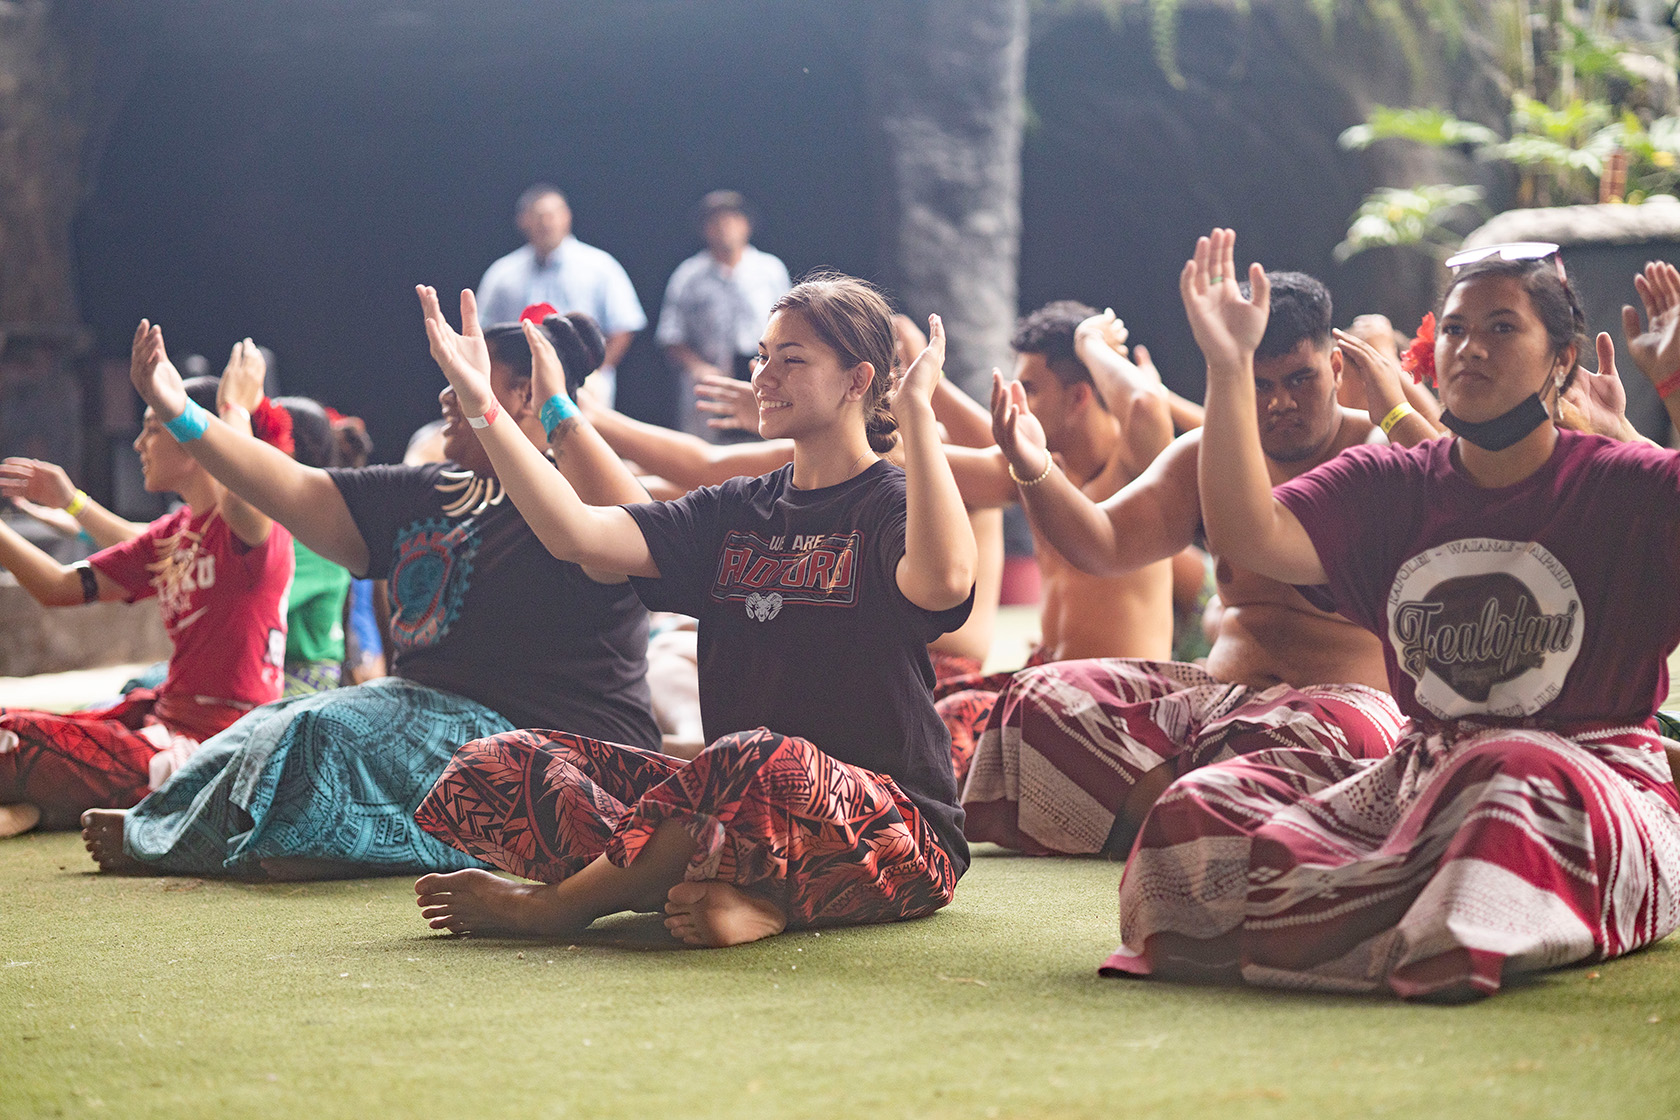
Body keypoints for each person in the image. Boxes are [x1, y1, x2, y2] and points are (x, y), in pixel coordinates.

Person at [1105, 230, 1680, 1000]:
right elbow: (1249, 533)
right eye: (1454, 328)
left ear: (1561, 359)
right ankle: (1405, 911)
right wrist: (1227, 363)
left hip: (1582, 780)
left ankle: (1349, 918)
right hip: (1423, 780)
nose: (1469, 348)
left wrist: (1674, 389)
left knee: (1503, 776)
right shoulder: (1388, 481)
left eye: (1501, 328)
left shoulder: (1621, 483)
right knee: (1199, 814)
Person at [410, 273, 976, 947]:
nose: (764, 375)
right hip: (730, 807)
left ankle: (560, 906)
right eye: (763, 355)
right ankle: (731, 893)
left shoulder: (890, 503)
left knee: (760, 759)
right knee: (498, 763)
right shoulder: (733, 510)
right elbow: (578, 533)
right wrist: (485, 408)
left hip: (895, 834)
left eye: (791, 359)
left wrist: (916, 412)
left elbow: (943, 582)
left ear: (859, 380)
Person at [80, 307, 660, 879]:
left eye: (462, 380)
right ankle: (178, 827)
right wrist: (179, 411)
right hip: (423, 712)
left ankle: (252, 842)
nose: (445, 397)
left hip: (552, 746)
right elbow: (290, 487)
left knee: (321, 732)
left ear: (527, 396)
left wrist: (552, 407)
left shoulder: (580, 503)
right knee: (267, 725)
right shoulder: (427, 491)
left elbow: (637, 525)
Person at [966, 271, 1422, 857]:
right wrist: (1033, 466)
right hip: (1220, 702)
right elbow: (1101, 544)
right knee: (1036, 702)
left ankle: (1186, 809)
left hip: (1339, 715)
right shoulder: (1207, 457)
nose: (1279, 402)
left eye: (1300, 380)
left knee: (1290, 743)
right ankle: (1202, 815)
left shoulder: (1378, 458)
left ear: (1336, 369)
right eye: (1258, 385)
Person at [0, 369, 293, 838]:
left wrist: (230, 412)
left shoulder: (250, 526)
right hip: (162, 721)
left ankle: (47, 801)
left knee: (14, 741)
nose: (138, 444)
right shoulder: (174, 534)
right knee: (15, 728)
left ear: (194, 441)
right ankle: (46, 804)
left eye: (153, 429)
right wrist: (64, 505)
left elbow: (240, 490)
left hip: (217, 746)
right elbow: (57, 587)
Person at [475, 183, 646, 406]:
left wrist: (598, 373)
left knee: (582, 438)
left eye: (553, 214)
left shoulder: (600, 266)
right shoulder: (502, 274)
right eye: (538, 215)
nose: (547, 222)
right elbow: (483, 331)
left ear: (567, 216)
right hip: (519, 388)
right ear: (523, 220)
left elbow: (623, 325)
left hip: (585, 384)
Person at [656, 190, 793, 440]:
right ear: (704, 229)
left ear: (747, 226)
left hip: (762, 375)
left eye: (731, 220)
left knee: (764, 448)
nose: (724, 228)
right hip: (713, 382)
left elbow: (792, 325)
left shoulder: (770, 270)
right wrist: (697, 366)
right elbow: (671, 334)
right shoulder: (688, 276)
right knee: (709, 453)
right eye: (716, 222)